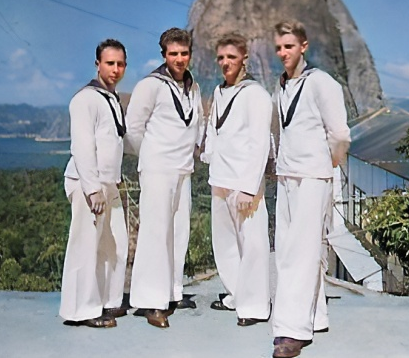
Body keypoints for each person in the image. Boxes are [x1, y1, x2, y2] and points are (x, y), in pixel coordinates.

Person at [271, 20, 351, 358]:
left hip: (314, 177)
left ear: (303, 46)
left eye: (289, 46)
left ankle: (292, 332)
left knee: (299, 255)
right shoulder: (281, 86)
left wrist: (327, 164)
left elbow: (340, 135)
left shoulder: (322, 82)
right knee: (291, 251)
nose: (283, 53)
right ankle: (316, 316)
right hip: (287, 176)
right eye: (278, 47)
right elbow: (280, 132)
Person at [125, 27, 203, 329]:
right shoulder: (150, 85)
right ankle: (150, 301)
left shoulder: (192, 87)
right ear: (164, 55)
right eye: (173, 54)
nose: (179, 59)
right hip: (158, 170)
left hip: (183, 168)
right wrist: (151, 156)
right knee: (155, 233)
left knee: (178, 232)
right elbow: (134, 128)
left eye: (184, 53)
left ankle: (172, 292)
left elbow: (197, 122)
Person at [202, 33, 271, 327]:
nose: (225, 62)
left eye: (231, 57)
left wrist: (248, 187)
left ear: (244, 58)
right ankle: (237, 295)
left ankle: (255, 306)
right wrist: (209, 159)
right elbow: (214, 130)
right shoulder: (219, 92)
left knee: (252, 244)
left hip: (243, 183)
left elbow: (260, 143)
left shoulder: (256, 94)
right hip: (220, 179)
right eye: (221, 57)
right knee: (226, 244)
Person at [59, 39, 129, 328]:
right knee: (85, 246)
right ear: (97, 64)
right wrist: (92, 189)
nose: (115, 69)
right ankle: (82, 310)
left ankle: (108, 301)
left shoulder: (110, 98)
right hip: (88, 184)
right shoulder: (85, 99)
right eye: (110, 63)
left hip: (108, 184)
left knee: (116, 245)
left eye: (120, 64)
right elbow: (83, 146)